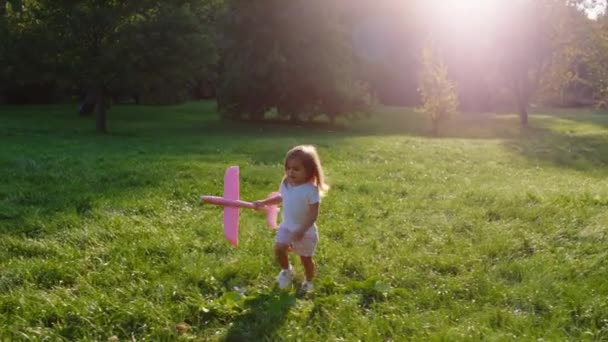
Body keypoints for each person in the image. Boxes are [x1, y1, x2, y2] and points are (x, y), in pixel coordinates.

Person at [253, 145, 329, 293]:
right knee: (279, 248)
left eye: (296, 168)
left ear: (310, 170)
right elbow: (280, 197)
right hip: (287, 227)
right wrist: (263, 202)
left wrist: (301, 230)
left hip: (305, 231)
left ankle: (309, 282)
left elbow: (313, 215)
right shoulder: (286, 183)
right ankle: (287, 271)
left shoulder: (310, 190)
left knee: (305, 259)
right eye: (288, 168)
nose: (290, 172)